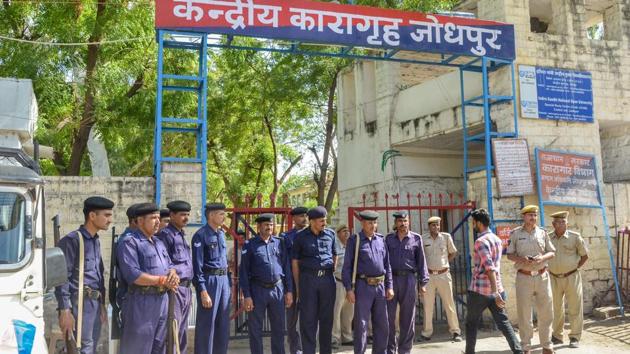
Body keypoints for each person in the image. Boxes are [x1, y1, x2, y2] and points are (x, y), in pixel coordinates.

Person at [117, 202, 180, 354]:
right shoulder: (130, 242)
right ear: (139, 221)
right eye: (153, 218)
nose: (158, 221)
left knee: (159, 347)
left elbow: (170, 265)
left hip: (162, 302)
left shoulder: (158, 242)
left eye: (158, 218)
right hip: (141, 302)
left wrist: (173, 274)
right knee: (137, 349)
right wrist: (162, 280)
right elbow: (133, 275)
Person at [55, 196, 113, 354]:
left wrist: (101, 304)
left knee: (90, 347)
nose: (110, 220)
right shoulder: (72, 240)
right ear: (92, 216)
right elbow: (61, 279)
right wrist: (65, 310)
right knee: (78, 347)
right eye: (106, 215)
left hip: (94, 303)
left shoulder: (95, 241)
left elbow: (98, 275)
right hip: (79, 303)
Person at [465, 208, 523, 354]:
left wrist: (495, 292)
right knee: (504, 323)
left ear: (479, 223)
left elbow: (489, 267)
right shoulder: (496, 239)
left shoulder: (480, 241)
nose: (473, 224)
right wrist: (497, 291)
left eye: (474, 222)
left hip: (480, 291)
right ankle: (518, 351)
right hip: (496, 288)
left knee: (471, 324)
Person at [240, 213, 294, 354]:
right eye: (266, 225)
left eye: (271, 225)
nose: (269, 227)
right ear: (258, 227)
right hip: (258, 290)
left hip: (277, 289)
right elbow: (244, 272)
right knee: (255, 329)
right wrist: (247, 295)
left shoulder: (279, 242)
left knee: (279, 328)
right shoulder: (249, 245)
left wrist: (289, 291)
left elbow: (286, 267)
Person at [342, 210, 394, 354]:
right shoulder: (355, 240)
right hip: (363, 287)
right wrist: (349, 289)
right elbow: (347, 267)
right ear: (362, 223)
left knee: (382, 325)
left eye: (375, 223)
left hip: (380, 287)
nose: (373, 226)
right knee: (361, 326)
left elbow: (387, 265)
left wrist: (389, 286)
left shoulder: (381, 240)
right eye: (370, 223)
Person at [507, 205, 556, 354]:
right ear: (524, 217)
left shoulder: (542, 232)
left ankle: (547, 346)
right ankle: (526, 346)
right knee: (524, 314)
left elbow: (552, 252)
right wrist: (522, 259)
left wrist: (542, 257)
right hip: (524, 277)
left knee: (546, 313)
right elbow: (509, 255)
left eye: (535, 215)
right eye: (530, 215)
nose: (533, 218)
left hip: (542, 276)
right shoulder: (515, 234)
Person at [291, 206, 337, 354]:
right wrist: (298, 287)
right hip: (308, 281)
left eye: (325, 220)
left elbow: (334, 255)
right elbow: (295, 262)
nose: (324, 223)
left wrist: (328, 272)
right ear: (311, 221)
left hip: (327, 281)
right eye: (321, 221)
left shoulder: (330, 234)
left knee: (326, 320)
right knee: (308, 321)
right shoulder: (300, 237)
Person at [385, 211, 429, 354]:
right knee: (389, 317)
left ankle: (404, 350)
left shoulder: (416, 239)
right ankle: (390, 349)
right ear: (396, 223)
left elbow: (421, 262)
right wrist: (387, 283)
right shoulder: (389, 239)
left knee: (408, 317)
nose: (403, 224)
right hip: (392, 280)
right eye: (400, 221)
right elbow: (385, 262)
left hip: (409, 280)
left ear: (408, 221)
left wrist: (423, 283)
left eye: (405, 221)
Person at [191, 203, 231, 354]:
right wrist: (202, 291)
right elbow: (197, 267)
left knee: (223, 324)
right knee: (206, 325)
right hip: (210, 281)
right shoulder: (200, 235)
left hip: (223, 281)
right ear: (211, 215)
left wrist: (228, 286)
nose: (224, 217)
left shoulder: (221, 234)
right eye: (221, 214)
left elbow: (224, 262)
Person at [156, 200, 193, 353]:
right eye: (182, 214)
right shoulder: (165, 235)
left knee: (182, 331)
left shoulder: (180, 234)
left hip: (186, 289)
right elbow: (165, 264)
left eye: (188, 214)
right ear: (171, 215)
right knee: (172, 330)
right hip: (174, 289)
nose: (186, 218)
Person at [548, 211, 589, 349]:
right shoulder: (548, 238)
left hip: (572, 277)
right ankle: (557, 336)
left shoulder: (575, 237)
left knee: (574, 307)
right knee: (556, 308)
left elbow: (585, 256)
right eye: (557, 222)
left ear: (567, 223)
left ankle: (575, 337)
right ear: (553, 224)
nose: (560, 224)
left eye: (563, 222)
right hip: (553, 277)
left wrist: (574, 268)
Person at [420, 216, 462, 341]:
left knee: (449, 304)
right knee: (427, 305)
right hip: (429, 276)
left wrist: (446, 263)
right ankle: (427, 333)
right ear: (429, 226)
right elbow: (420, 256)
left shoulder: (446, 237)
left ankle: (455, 331)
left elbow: (453, 252)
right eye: (433, 225)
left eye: (438, 225)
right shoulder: (423, 239)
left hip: (444, 274)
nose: (436, 227)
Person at [281, 206, 308, 354]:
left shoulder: (312, 233)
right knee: (292, 320)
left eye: (305, 216)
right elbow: (285, 262)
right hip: (292, 281)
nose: (304, 219)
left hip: (309, 281)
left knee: (309, 318)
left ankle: (306, 348)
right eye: (301, 216)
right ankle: (295, 349)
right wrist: (288, 288)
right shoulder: (287, 237)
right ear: (294, 218)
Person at [332, 225, 354, 348]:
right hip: (339, 283)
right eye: (344, 231)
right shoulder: (335, 247)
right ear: (338, 233)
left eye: (348, 231)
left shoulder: (351, 247)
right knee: (336, 312)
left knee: (349, 312)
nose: (346, 233)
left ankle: (347, 336)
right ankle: (335, 338)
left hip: (350, 285)